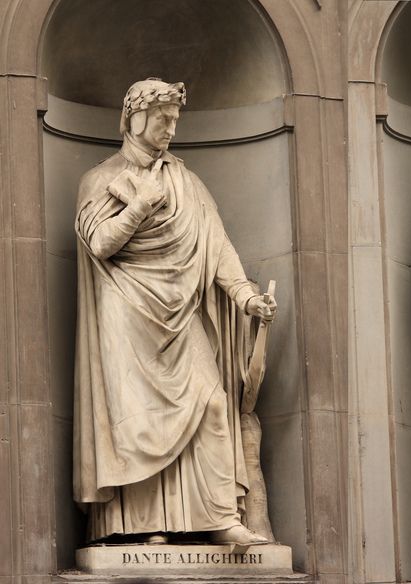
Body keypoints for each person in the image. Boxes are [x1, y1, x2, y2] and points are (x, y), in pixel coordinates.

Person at [73, 78, 276, 546]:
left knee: (212, 403)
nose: (171, 128)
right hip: (127, 309)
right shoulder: (101, 179)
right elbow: (99, 243)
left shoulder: (187, 182)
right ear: (134, 119)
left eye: (174, 120)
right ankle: (145, 526)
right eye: (163, 119)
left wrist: (244, 295)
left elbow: (216, 244)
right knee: (139, 418)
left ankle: (220, 517)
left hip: (182, 311)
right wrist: (139, 207)